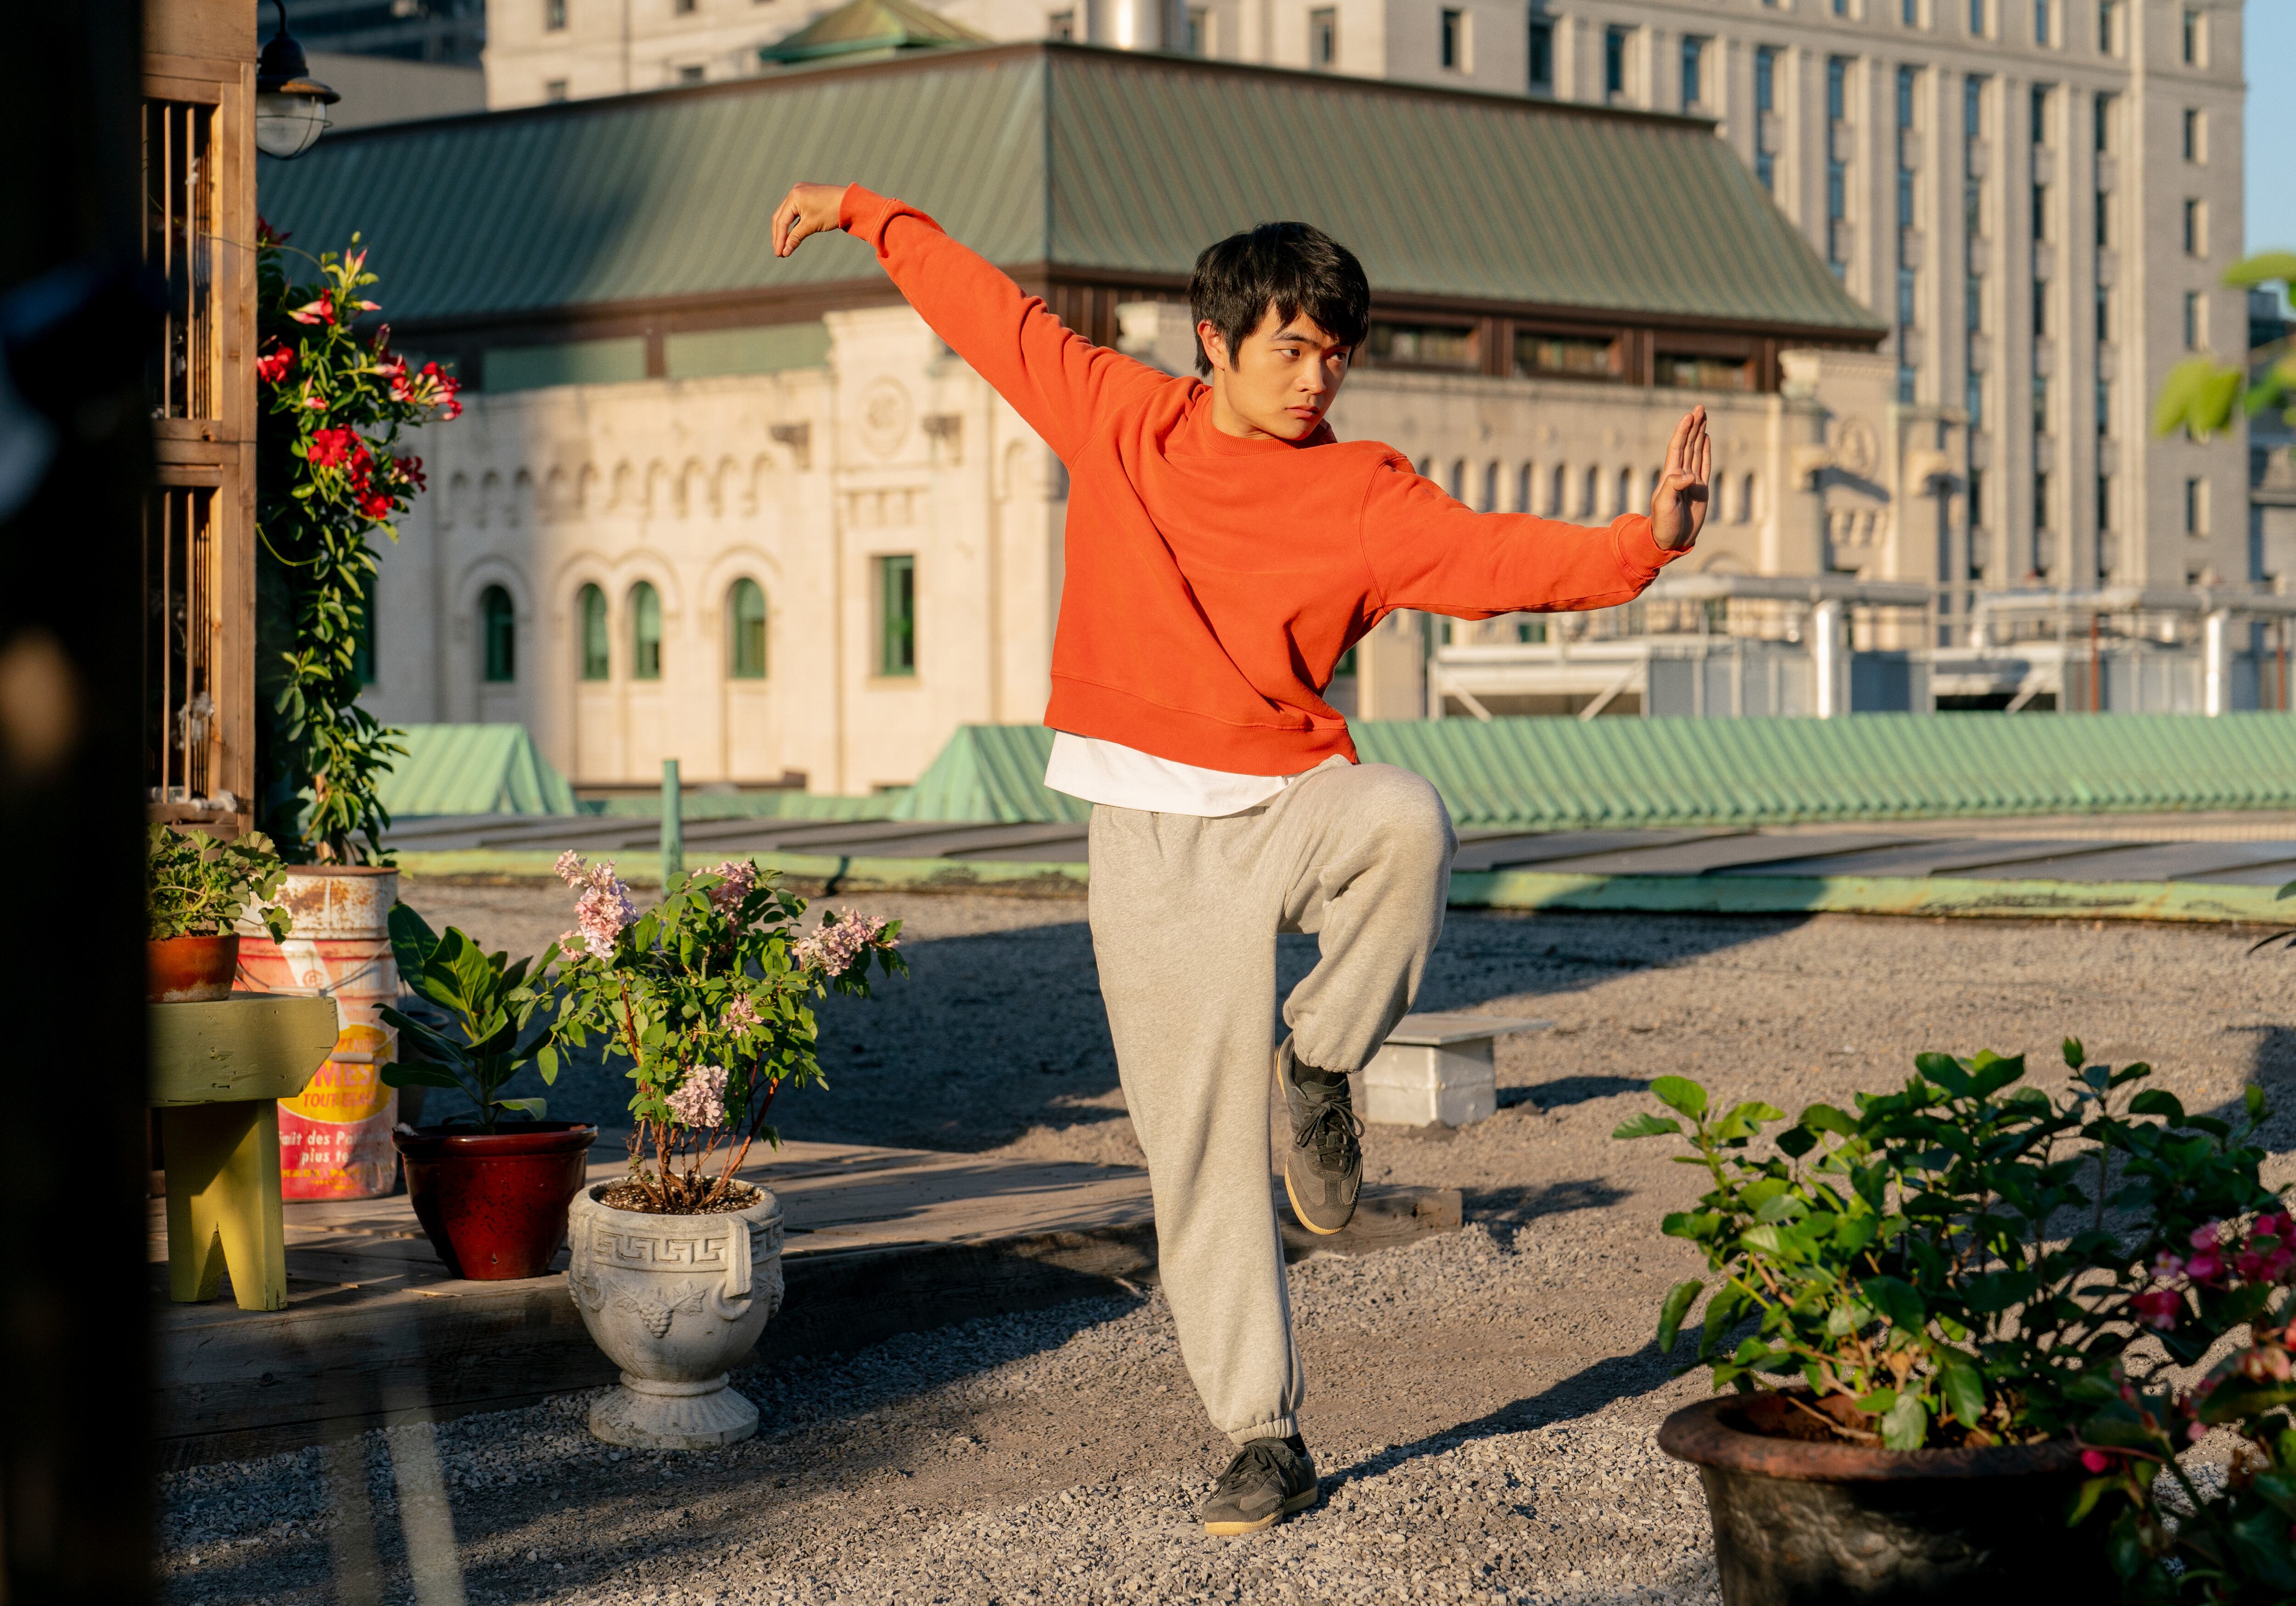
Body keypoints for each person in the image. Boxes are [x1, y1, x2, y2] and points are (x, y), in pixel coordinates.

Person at [770, 181, 1710, 1537]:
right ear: (1213, 342)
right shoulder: (1122, 417)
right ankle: (1264, 1435)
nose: (1320, 375)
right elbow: (992, 317)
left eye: (1338, 351)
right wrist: (870, 212)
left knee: (1406, 820)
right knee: (1197, 1154)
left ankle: (1321, 1056)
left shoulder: (1362, 490)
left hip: (1290, 798)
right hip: (1148, 841)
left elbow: (1494, 556)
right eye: (1293, 347)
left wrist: (1645, 544)